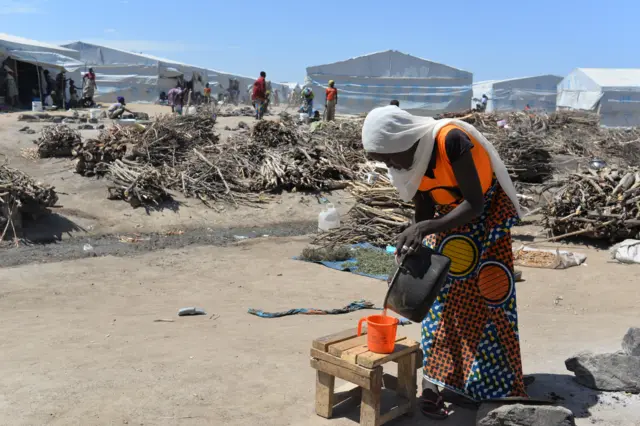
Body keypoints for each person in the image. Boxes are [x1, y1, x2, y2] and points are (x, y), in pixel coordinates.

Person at [362, 106, 525, 419]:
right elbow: (424, 200)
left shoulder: (451, 140)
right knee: (440, 301)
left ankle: (489, 387)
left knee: (487, 301)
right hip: (449, 222)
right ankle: (437, 383)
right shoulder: (408, 158)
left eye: (390, 157)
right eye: (383, 160)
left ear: (405, 140)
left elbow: (475, 203)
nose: (390, 165)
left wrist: (425, 228)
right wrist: (416, 240)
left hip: (484, 219)